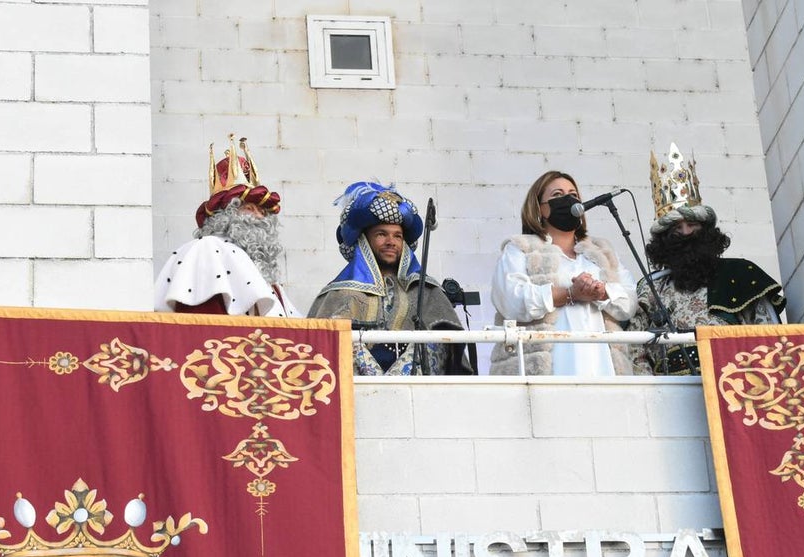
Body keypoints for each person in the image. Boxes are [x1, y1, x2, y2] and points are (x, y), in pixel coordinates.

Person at [629, 144, 785, 375]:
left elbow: (769, 337)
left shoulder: (740, 273)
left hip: (735, 382)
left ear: (707, 231)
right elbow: (634, 348)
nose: (685, 233)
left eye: (692, 225)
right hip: (672, 391)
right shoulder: (651, 288)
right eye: (676, 229)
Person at [307, 181, 472, 376]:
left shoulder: (425, 290)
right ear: (364, 241)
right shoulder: (340, 291)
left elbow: (448, 341)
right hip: (357, 391)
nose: (390, 242)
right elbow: (319, 345)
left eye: (397, 236)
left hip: (417, 391)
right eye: (381, 234)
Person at [489, 171, 637, 375]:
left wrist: (601, 292)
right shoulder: (520, 249)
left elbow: (628, 301)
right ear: (539, 208)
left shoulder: (601, 251)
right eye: (557, 195)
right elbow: (511, 301)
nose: (568, 199)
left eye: (573, 195)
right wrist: (570, 293)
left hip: (602, 368)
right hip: (548, 371)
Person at [154, 134, 299, 317]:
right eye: (249, 208)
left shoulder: (270, 281)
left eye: (262, 212)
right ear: (225, 216)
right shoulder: (207, 248)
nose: (259, 216)